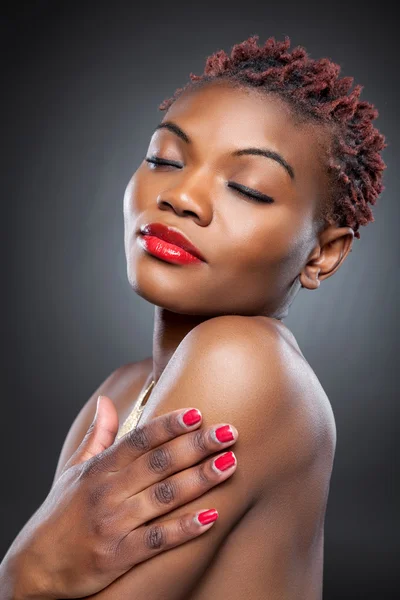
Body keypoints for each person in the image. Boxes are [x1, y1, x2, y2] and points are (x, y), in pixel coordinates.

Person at [3, 33, 387, 599]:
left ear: (323, 252)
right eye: (165, 158)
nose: (182, 195)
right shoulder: (125, 388)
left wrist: (23, 573)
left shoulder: (245, 362)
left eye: (249, 189)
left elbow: (39, 579)